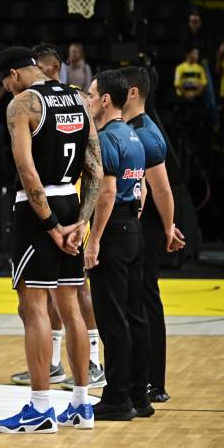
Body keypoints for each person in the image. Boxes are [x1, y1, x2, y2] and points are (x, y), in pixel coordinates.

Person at [0, 46, 102, 434]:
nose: (8, 89)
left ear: (14, 74)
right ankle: (82, 404)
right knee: (70, 307)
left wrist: (52, 226)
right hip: (72, 203)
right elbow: (95, 168)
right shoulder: (78, 98)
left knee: (33, 307)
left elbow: (26, 169)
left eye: (6, 83)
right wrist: (80, 223)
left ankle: (39, 409)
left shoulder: (22, 104)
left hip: (39, 212)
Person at [83, 70, 150, 420]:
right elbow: (142, 188)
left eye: (92, 95)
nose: (88, 100)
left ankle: (117, 398)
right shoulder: (134, 136)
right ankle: (140, 395)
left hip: (113, 230)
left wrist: (93, 240)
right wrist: (132, 218)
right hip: (133, 227)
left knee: (112, 319)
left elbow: (107, 192)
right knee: (135, 316)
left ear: (106, 100)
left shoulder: (107, 138)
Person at [120, 66, 186, 403]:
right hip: (138, 224)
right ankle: (137, 377)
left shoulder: (145, 132)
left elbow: (162, 190)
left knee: (146, 300)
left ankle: (153, 382)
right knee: (136, 301)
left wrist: (167, 227)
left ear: (132, 92)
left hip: (145, 227)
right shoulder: (131, 128)